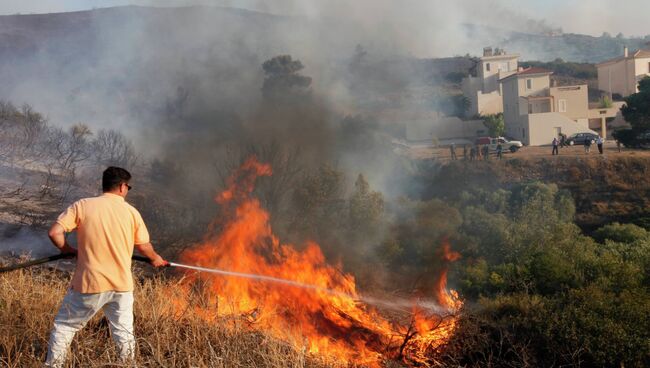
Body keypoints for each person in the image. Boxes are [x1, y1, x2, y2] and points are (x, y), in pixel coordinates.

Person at [45, 167, 168, 368]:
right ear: (122, 186)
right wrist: (155, 259)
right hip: (122, 286)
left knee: (65, 327)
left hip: (90, 284)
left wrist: (67, 249)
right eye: (128, 186)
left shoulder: (83, 206)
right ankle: (128, 365)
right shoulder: (131, 212)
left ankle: (54, 366)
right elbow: (144, 246)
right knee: (124, 332)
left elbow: (54, 232)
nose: (127, 190)